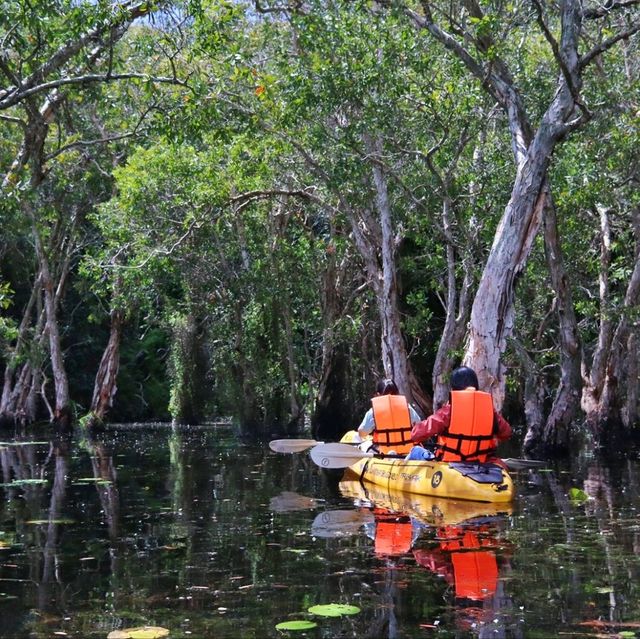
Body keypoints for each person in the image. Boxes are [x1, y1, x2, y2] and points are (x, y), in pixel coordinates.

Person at [410, 366, 511, 464]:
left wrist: (414, 429)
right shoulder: (490, 412)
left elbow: (416, 435)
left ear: (454, 388)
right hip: (480, 463)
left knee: (416, 451)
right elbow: (506, 433)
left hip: (451, 465)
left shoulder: (449, 411)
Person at [358, 378, 421, 455]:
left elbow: (362, 433)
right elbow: (419, 427)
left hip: (382, 453)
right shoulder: (407, 407)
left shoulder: (374, 411)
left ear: (378, 395)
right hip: (407, 452)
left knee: (363, 445)